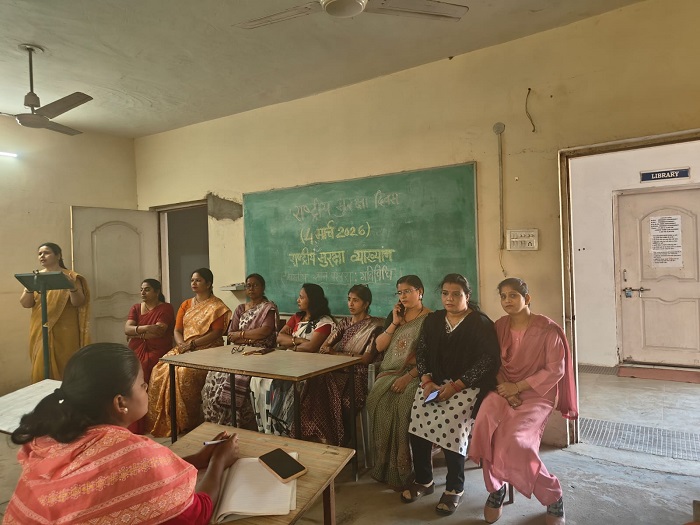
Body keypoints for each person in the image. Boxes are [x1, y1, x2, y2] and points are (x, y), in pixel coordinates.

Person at [4, 343, 239, 525]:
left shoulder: (52, 436)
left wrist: (197, 459)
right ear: (120, 402)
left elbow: (128, 479)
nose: (146, 389)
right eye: (142, 385)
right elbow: (196, 514)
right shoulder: (131, 453)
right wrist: (219, 462)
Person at [468, 278, 578, 525]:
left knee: (516, 442)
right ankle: (496, 488)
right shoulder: (499, 326)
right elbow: (494, 362)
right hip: (503, 390)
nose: (507, 301)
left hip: (537, 395)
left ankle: (553, 496)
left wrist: (517, 387)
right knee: (485, 429)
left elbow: (555, 370)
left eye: (513, 295)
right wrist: (507, 390)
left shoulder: (548, 330)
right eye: (503, 296)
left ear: (527, 298)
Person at [402, 273, 500, 516]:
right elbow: (422, 351)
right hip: (434, 383)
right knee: (418, 416)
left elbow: (488, 361)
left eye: (456, 294)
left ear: (467, 296)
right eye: (445, 293)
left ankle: (455, 487)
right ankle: (424, 480)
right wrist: (426, 381)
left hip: (467, 385)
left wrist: (456, 386)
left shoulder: (480, 323)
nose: (449, 298)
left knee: (452, 423)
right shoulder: (434, 320)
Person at [147, 268, 231, 437]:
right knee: (160, 368)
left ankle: (187, 422)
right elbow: (177, 330)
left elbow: (216, 333)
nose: (194, 283)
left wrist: (192, 344)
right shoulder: (186, 304)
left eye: (198, 280)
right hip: (184, 347)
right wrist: (182, 345)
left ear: (208, 284)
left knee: (183, 372)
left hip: (208, 349)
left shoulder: (217, 306)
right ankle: (167, 422)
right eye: (192, 280)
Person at [366, 274, 430, 488]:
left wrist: (408, 377)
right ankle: (383, 466)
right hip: (391, 372)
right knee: (378, 401)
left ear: (420, 292)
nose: (403, 296)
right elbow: (380, 346)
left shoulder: (431, 319)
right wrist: (394, 322)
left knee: (402, 405)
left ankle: (403, 470)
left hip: (419, 374)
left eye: (407, 291)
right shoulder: (395, 316)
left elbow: (431, 357)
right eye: (400, 292)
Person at [299, 284, 384, 445]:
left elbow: (366, 359)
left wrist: (336, 354)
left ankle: (337, 439)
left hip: (359, 375)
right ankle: (317, 435)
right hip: (338, 370)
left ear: (366, 304)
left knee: (327, 387)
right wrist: (337, 355)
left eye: (356, 300)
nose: (350, 304)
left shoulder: (374, 326)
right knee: (314, 381)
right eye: (349, 299)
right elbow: (325, 346)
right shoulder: (345, 323)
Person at [251, 283, 334, 435]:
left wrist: (291, 344)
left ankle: (284, 427)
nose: (298, 300)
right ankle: (267, 427)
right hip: (289, 362)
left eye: (302, 297)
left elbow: (311, 347)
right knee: (259, 379)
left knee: (278, 383)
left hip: (310, 368)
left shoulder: (325, 322)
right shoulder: (297, 317)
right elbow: (279, 337)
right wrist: (299, 341)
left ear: (312, 300)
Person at [201, 273, 279, 429]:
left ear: (263, 287)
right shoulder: (240, 309)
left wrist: (242, 336)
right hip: (238, 351)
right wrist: (248, 338)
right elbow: (231, 335)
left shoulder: (268, 308)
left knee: (235, 378)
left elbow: (264, 331)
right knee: (214, 375)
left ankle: (235, 421)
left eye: (255, 285)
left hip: (259, 352)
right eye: (248, 285)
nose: (251, 288)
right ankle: (216, 422)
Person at [19, 242, 90, 382]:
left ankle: (66, 393)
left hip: (65, 330)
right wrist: (29, 287)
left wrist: (71, 287)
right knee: (41, 365)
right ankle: (43, 394)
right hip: (40, 328)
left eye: (46, 253)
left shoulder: (71, 276)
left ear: (58, 256)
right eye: (39, 254)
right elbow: (25, 304)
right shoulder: (35, 277)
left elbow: (78, 303)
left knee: (66, 363)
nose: (42, 256)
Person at [124, 278, 175, 434]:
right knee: (127, 373)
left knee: (143, 370)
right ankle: (132, 421)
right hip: (136, 349)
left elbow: (159, 331)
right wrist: (146, 328)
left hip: (157, 350)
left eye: (147, 289)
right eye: (141, 289)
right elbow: (127, 329)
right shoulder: (136, 308)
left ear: (157, 291)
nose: (142, 292)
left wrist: (135, 332)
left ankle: (150, 422)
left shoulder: (166, 308)